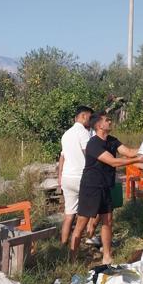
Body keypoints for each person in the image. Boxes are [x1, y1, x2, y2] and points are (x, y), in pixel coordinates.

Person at [69, 111, 143, 264]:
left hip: (106, 186)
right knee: (81, 224)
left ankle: (107, 255)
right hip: (91, 187)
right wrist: (137, 160)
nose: (110, 122)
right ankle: (72, 258)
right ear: (99, 125)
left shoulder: (112, 140)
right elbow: (113, 162)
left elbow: (129, 152)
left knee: (108, 221)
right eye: (107, 120)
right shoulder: (93, 144)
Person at [58, 105, 94, 246]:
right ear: (83, 116)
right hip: (81, 177)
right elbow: (89, 153)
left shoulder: (66, 134)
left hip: (67, 178)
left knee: (69, 214)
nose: (90, 121)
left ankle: (63, 244)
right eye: (89, 118)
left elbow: (62, 157)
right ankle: (87, 238)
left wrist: (60, 176)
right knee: (92, 210)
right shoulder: (83, 133)